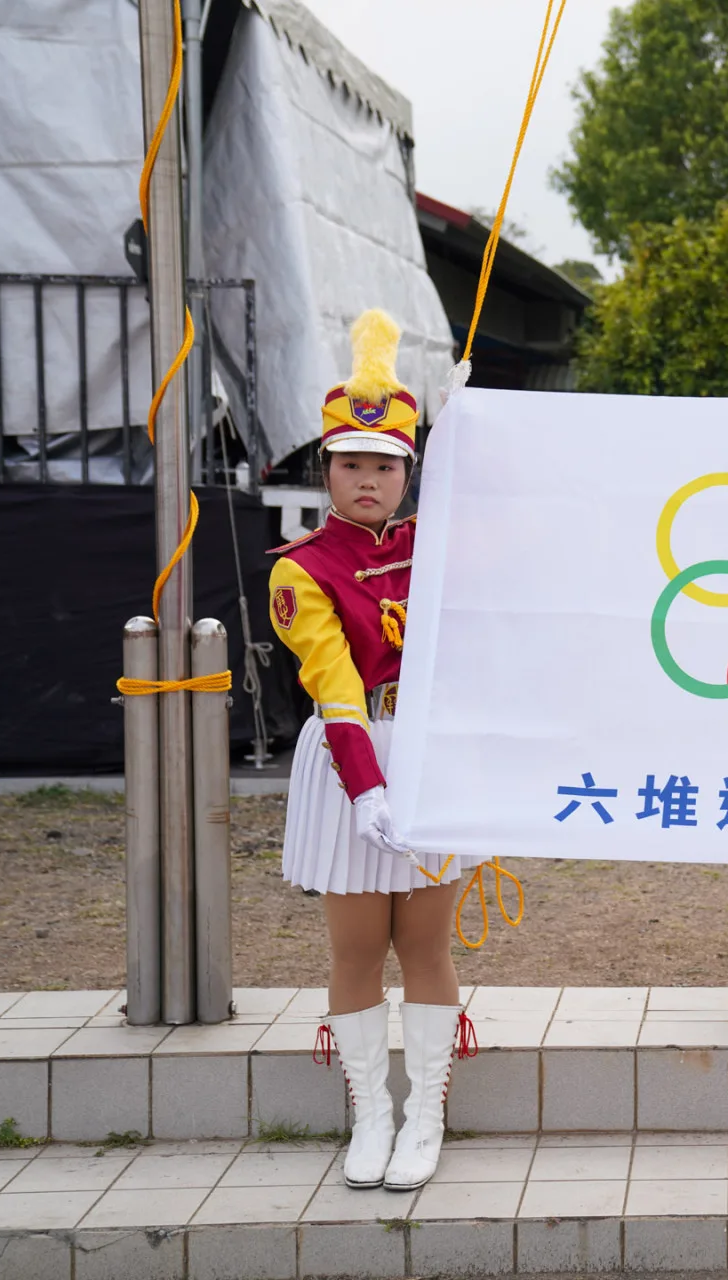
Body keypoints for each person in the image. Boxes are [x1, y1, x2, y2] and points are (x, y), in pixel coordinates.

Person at [270, 309, 486, 1190]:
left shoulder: (442, 546)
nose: (369, 480)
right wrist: (365, 789)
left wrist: (471, 435)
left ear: (409, 472)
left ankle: (426, 1111)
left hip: (429, 752)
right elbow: (333, 684)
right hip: (349, 762)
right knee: (357, 948)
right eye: (352, 463)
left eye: (386, 465)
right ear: (327, 469)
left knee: (427, 945)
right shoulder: (300, 569)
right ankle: (372, 1114)